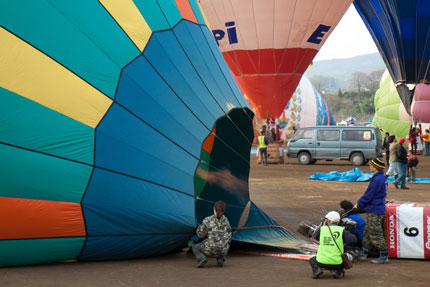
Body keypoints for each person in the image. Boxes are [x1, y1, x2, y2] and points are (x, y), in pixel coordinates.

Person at [355, 158, 389, 264]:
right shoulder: (380, 178)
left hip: (375, 209)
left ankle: (384, 254)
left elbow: (369, 195)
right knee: (368, 231)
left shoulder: (377, 180)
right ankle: (364, 251)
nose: (369, 166)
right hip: (375, 208)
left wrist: (359, 203)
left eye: (371, 165)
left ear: (375, 167)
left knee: (375, 232)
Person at [309, 211, 357, 279]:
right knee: (346, 257)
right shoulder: (342, 230)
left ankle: (317, 270)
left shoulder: (322, 229)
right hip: (337, 263)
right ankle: (336, 271)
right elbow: (353, 240)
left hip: (321, 262)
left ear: (328, 221)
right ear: (339, 221)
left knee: (312, 260)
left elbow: (316, 237)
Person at [192, 201, 232, 268]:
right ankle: (221, 259)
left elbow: (201, 235)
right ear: (224, 210)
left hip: (210, 250)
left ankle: (202, 258)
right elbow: (229, 235)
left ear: (214, 209)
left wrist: (199, 228)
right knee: (225, 243)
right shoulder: (226, 221)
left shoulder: (207, 220)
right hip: (223, 251)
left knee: (195, 247)